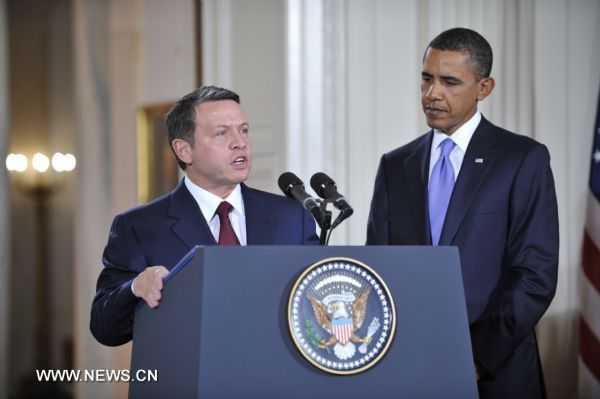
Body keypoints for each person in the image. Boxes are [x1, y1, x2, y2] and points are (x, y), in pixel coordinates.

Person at [366, 28, 558, 398]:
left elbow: (535, 275)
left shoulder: (522, 159)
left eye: (449, 82)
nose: (432, 94)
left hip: (496, 371)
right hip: (412, 366)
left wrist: (474, 358)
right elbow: (380, 266)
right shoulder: (395, 165)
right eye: (427, 79)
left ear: (484, 88)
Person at [91, 86, 319, 346]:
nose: (240, 142)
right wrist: (135, 288)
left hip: (276, 381)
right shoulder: (139, 227)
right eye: (222, 133)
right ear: (184, 150)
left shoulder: (291, 217)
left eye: (243, 130)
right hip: (187, 383)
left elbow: (314, 308)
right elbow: (103, 327)